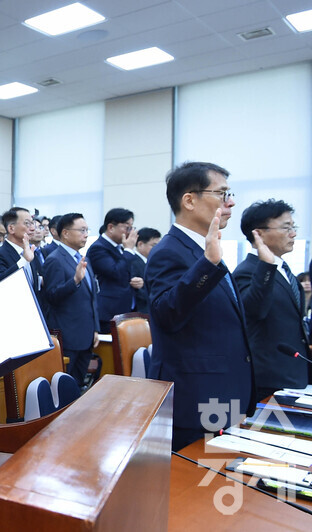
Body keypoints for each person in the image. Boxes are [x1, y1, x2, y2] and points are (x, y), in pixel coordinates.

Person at [146, 161, 253, 451]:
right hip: (198, 399)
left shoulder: (205, 247)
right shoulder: (168, 251)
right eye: (221, 194)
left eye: (230, 194)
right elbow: (167, 314)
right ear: (189, 200)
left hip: (224, 392)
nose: (230, 203)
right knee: (198, 489)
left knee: (220, 486)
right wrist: (208, 264)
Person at [233, 199, 309, 400]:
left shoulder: (284, 269)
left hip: (295, 374)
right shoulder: (246, 272)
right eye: (286, 228)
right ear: (259, 233)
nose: (293, 234)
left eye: (294, 227)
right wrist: (266, 266)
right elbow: (255, 311)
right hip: (270, 380)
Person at [43, 213, 99, 386]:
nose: (86, 234)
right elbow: (52, 296)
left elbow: (92, 298)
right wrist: (74, 281)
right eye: (81, 230)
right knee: (65, 387)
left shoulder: (83, 258)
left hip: (87, 335)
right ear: (65, 233)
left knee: (79, 386)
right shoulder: (55, 260)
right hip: (68, 336)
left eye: (87, 230)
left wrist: (95, 328)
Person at [87, 207, 140, 332]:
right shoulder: (98, 248)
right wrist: (128, 250)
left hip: (124, 310)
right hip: (108, 313)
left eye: (132, 227)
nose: (130, 231)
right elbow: (114, 272)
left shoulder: (119, 247)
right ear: (111, 227)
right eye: (127, 227)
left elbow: (123, 273)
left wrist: (135, 282)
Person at [0, 207, 41, 295]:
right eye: (27, 223)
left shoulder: (31, 252)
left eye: (32, 223)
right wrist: (24, 260)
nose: (33, 228)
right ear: (11, 228)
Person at [131, 227, 161, 314]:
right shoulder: (133, 261)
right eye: (154, 245)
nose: (157, 249)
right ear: (140, 244)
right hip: (140, 311)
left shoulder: (150, 262)